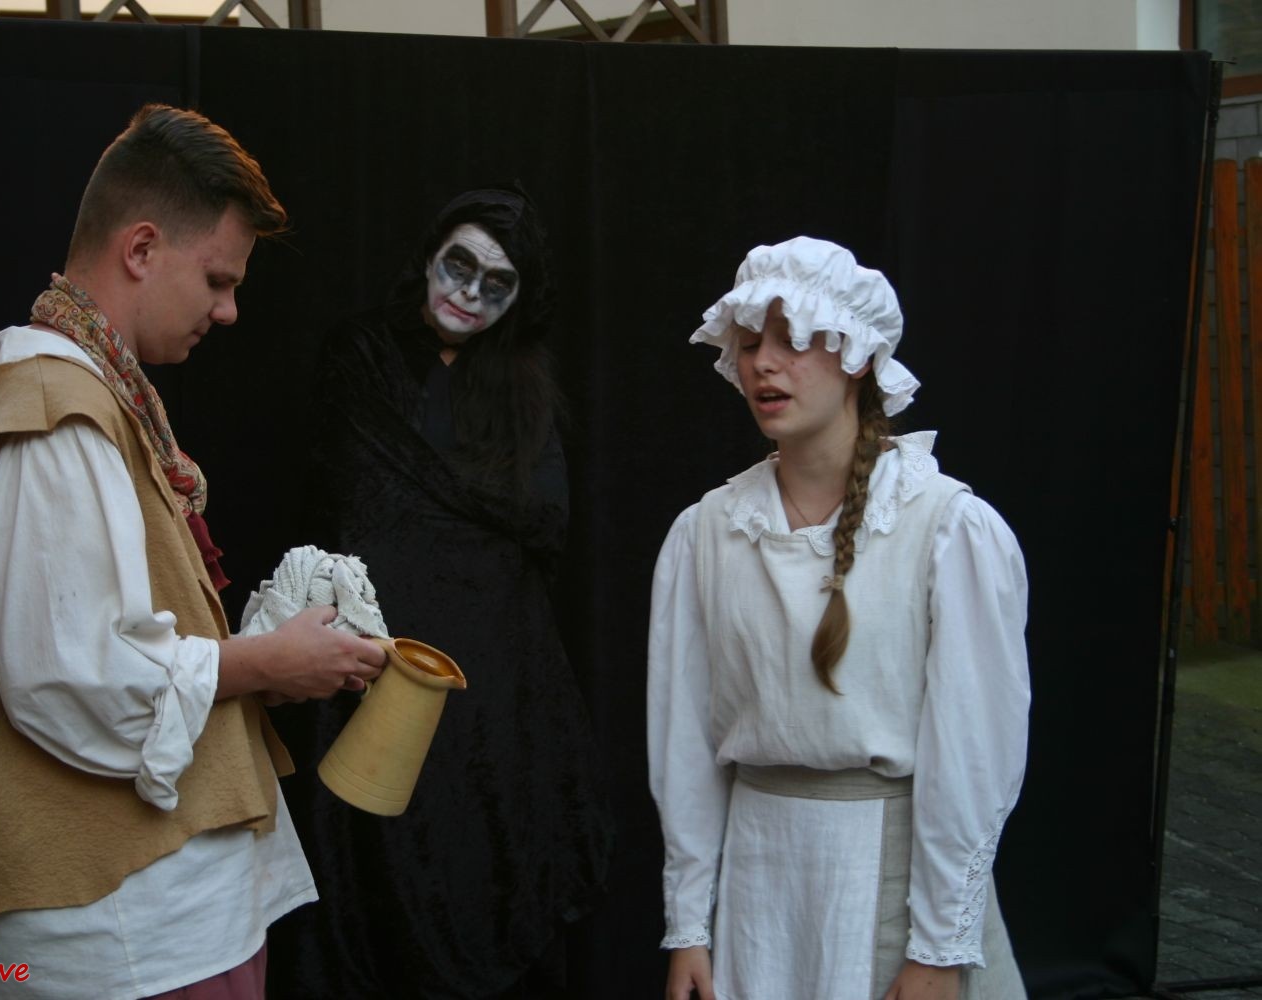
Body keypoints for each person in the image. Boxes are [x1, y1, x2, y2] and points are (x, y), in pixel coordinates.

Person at [0, 103, 386, 1000]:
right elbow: (70, 676)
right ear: (143, 248)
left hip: (156, 917)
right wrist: (262, 661)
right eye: (217, 280)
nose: (228, 310)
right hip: (117, 935)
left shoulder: (98, 395)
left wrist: (265, 663)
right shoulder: (56, 410)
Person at [647, 237, 1030, 1000]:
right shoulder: (708, 532)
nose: (763, 363)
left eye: (793, 339)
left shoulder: (946, 528)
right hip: (758, 891)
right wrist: (690, 925)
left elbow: (972, 753)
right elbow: (684, 741)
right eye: (749, 342)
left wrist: (938, 947)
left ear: (856, 355)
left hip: (888, 886)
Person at [270, 185, 612, 999]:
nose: (469, 293)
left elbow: (543, 526)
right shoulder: (362, 355)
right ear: (429, 255)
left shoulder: (524, 389)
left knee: (481, 856)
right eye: (459, 266)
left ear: (520, 298)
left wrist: (464, 542)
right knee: (368, 876)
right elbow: (362, 507)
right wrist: (468, 537)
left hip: (490, 688)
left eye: (497, 283)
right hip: (367, 667)